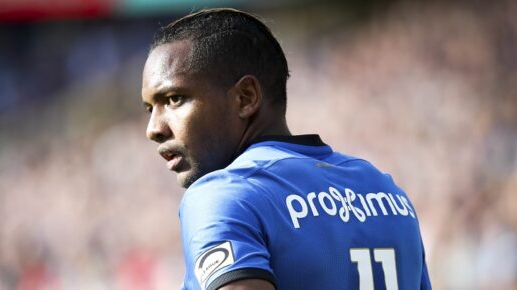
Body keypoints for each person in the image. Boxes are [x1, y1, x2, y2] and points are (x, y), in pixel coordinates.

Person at [141, 8, 431, 290]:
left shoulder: (225, 195)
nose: (154, 128)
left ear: (245, 98)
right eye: (149, 108)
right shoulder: (388, 193)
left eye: (174, 99)